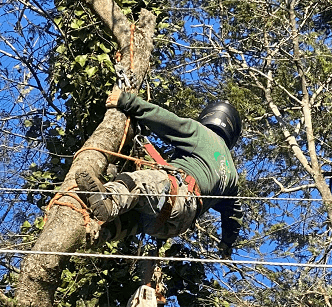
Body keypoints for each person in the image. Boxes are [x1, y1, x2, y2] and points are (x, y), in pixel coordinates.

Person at [77, 89, 242, 257]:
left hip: (176, 193)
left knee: (136, 183)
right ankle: (102, 232)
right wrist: (226, 243)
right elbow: (234, 218)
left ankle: (109, 199)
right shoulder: (232, 176)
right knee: (135, 218)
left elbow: (165, 121)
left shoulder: (204, 134)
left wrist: (126, 101)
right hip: (175, 225)